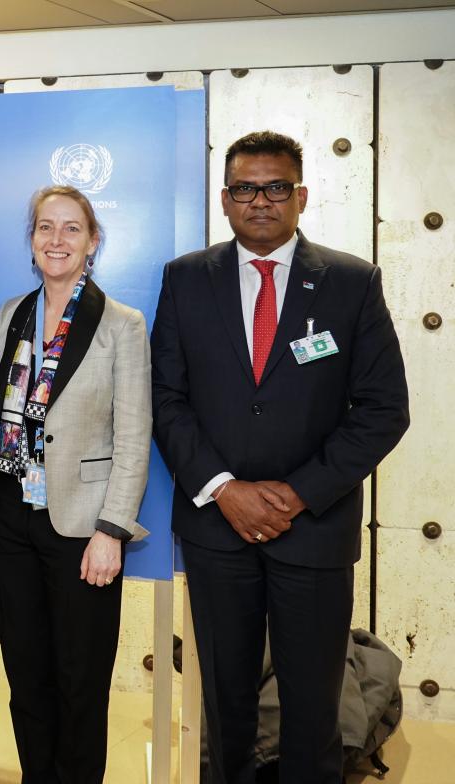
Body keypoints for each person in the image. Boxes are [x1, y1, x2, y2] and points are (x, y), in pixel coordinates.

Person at [151, 131, 410, 784]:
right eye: (244, 188)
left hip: (315, 531)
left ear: (301, 196)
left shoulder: (351, 283)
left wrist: (296, 494)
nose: (258, 200)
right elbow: (165, 397)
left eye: (274, 188)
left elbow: (383, 409)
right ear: (224, 199)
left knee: (313, 709)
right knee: (226, 703)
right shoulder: (186, 279)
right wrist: (223, 487)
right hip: (217, 528)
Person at [0, 185, 152, 784]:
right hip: (10, 517)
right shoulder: (11, 313)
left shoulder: (121, 325)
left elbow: (133, 434)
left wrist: (112, 530)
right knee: (26, 674)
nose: (57, 240)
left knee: (81, 680)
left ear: (93, 241)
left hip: (84, 525)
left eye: (71, 228)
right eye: (45, 227)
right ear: (31, 240)